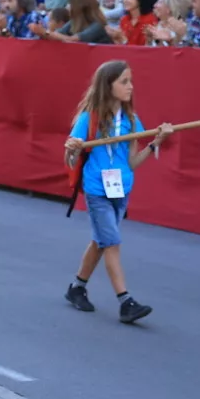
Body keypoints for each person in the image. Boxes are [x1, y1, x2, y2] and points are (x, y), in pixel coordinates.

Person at [63, 59, 170, 324]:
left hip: (121, 189)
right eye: (124, 82)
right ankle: (126, 301)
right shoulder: (89, 118)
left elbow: (132, 162)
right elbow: (70, 159)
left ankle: (77, 287)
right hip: (98, 189)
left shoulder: (132, 121)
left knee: (100, 241)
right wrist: (72, 148)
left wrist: (156, 142)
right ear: (107, 85)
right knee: (111, 242)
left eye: (130, 81)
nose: (130, 86)